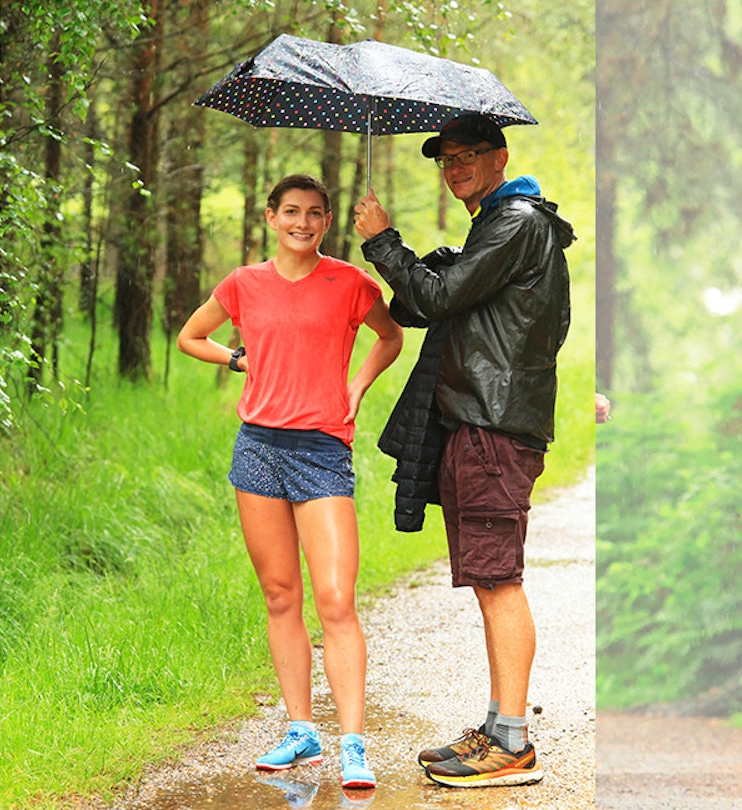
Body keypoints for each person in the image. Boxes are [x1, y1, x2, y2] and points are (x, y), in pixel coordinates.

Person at [353, 113, 573, 788]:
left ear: (500, 156)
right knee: (487, 575)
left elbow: (438, 295)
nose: (454, 168)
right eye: (445, 160)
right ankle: (497, 725)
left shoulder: (516, 223)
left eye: (468, 155)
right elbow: (427, 306)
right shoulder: (496, 226)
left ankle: (512, 742)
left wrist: (384, 240)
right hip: (479, 423)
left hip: (492, 426)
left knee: (498, 578)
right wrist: (411, 260)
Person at [177, 173, 404, 790]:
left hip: (322, 451)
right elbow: (190, 336)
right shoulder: (243, 284)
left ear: (327, 222)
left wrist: (357, 386)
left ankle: (353, 744)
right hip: (258, 449)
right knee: (280, 595)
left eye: (315, 214)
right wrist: (236, 358)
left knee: (335, 600)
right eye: (292, 212)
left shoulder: (351, 283)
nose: (303, 223)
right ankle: (301, 730)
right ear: (271, 217)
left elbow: (392, 337)